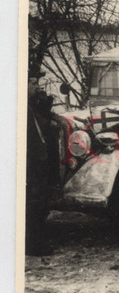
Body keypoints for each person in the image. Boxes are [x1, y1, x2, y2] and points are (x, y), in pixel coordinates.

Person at [26, 67, 60, 256]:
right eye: (32, 84)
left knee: (38, 200)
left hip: (38, 159)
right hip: (33, 161)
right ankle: (34, 245)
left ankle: (35, 240)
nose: (37, 87)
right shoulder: (22, 107)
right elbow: (35, 130)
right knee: (35, 201)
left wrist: (46, 103)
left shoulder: (31, 104)